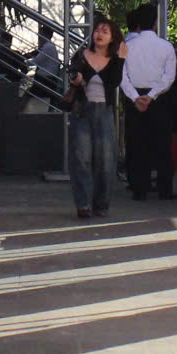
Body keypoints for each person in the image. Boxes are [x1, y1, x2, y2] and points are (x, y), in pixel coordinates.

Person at [119, 5, 177, 202]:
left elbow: (122, 76)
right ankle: (165, 188)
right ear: (155, 23)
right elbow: (169, 77)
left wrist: (135, 97)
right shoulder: (166, 47)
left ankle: (139, 188)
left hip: (135, 98)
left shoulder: (126, 47)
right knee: (162, 143)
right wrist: (152, 96)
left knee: (137, 143)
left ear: (138, 24)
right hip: (159, 99)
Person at [63, 17, 123, 218]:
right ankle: (83, 204)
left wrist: (121, 59)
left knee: (105, 161)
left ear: (112, 38)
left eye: (105, 31)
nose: (99, 34)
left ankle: (101, 204)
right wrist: (77, 79)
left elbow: (114, 82)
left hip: (104, 112)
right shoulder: (82, 54)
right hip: (82, 111)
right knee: (81, 158)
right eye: (97, 30)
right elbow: (72, 72)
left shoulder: (115, 60)